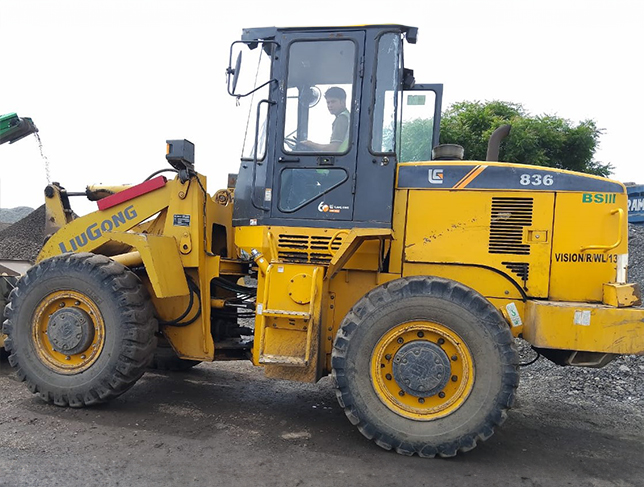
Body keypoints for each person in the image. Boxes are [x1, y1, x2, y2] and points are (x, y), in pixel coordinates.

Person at [300, 87, 350, 152]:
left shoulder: (342, 119)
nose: (330, 105)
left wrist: (311, 144)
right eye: (328, 102)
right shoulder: (348, 116)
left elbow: (333, 148)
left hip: (341, 160)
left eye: (333, 102)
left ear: (343, 102)